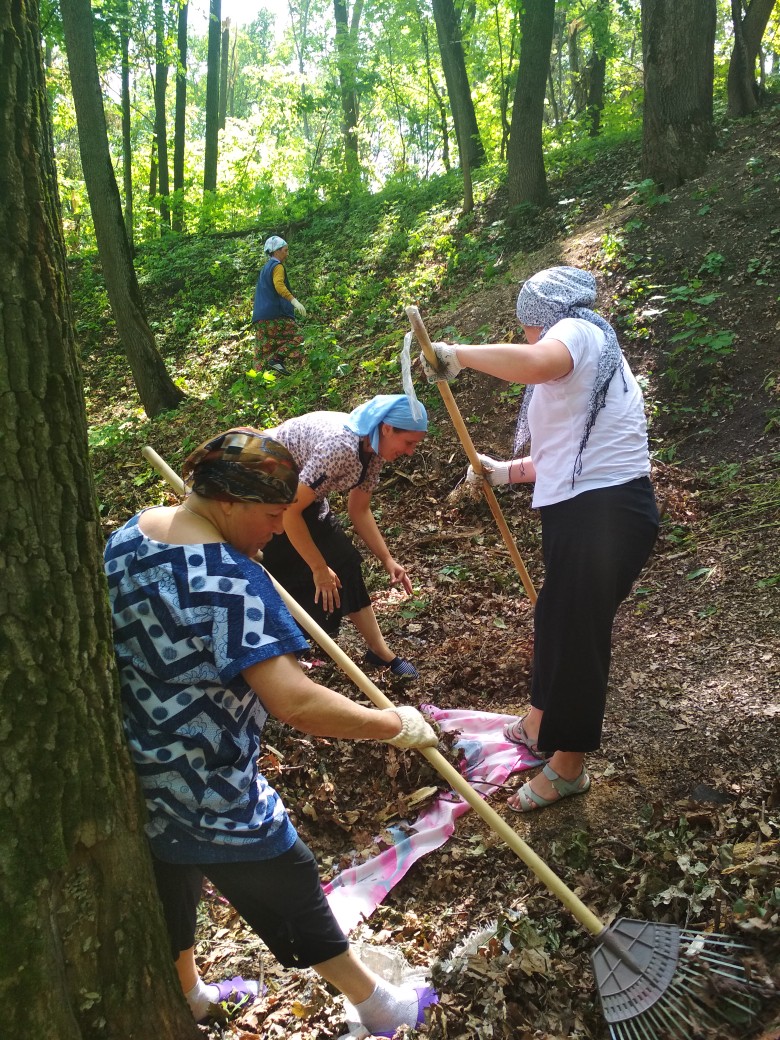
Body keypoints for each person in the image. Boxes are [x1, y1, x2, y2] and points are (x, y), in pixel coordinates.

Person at [104, 428, 439, 1033]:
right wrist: (393, 725)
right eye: (268, 514)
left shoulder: (132, 533)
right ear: (228, 502)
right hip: (206, 776)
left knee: (174, 874)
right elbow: (296, 702)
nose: (279, 528)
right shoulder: (230, 581)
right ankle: (380, 1007)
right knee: (290, 874)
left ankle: (189, 994)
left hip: (135, 761)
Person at [421, 266, 659, 812]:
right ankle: (538, 723)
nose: (529, 337)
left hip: (605, 512)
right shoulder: (589, 363)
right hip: (590, 509)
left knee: (578, 632)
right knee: (556, 615)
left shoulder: (578, 329)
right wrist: (504, 472)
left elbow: (534, 363)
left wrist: (458, 353)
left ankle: (569, 766)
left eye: (527, 326)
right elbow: (564, 457)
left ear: (543, 316)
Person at [261, 395, 428, 679]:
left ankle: (379, 651)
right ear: (387, 428)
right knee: (283, 576)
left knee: (345, 562)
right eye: (408, 443)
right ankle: (282, 657)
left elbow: (359, 510)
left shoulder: (373, 450)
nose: (411, 452)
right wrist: (318, 568)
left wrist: (387, 559)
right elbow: (290, 512)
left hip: (301, 496)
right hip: (266, 493)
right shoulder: (342, 448)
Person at [251, 235, 306, 374]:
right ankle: (277, 358)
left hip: (260, 319)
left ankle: (259, 382)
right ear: (276, 251)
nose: (287, 254)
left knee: (261, 351)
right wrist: (294, 301)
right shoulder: (277, 267)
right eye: (285, 250)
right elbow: (279, 285)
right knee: (298, 336)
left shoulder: (265, 269)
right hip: (275, 315)